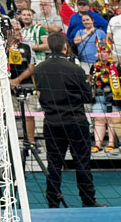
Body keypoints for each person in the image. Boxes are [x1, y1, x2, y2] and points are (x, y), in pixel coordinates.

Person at [33, 32, 102, 208]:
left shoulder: (40, 68)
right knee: (82, 163)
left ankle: (52, 202)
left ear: (49, 46)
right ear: (65, 46)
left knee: (54, 164)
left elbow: (41, 92)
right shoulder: (75, 69)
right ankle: (88, 201)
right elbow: (88, 97)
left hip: (53, 121)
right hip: (74, 121)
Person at [88, 40, 121, 154]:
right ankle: (97, 144)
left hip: (115, 97)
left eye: (104, 52)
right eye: (99, 52)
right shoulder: (94, 67)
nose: (102, 54)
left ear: (109, 53)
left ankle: (111, 143)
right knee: (99, 119)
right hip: (99, 97)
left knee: (112, 119)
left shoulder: (117, 65)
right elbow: (91, 80)